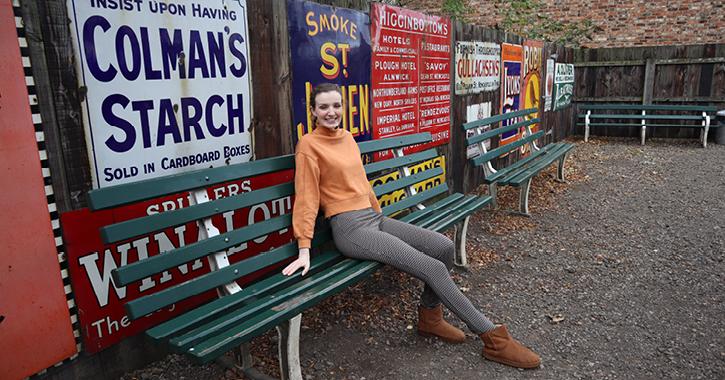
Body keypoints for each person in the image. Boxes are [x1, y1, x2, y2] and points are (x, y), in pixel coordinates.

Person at [282, 83, 540, 369]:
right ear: (313, 111)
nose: (332, 112)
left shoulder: (348, 138)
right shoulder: (308, 144)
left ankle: (430, 318)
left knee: (442, 247)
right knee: (433, 267)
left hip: (372, 219)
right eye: (324, 107)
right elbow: (306, 197)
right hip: (350, 229)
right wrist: (304, 247)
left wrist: (379, 217)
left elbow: (363, 184)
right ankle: (493, 338)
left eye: (336, 105)